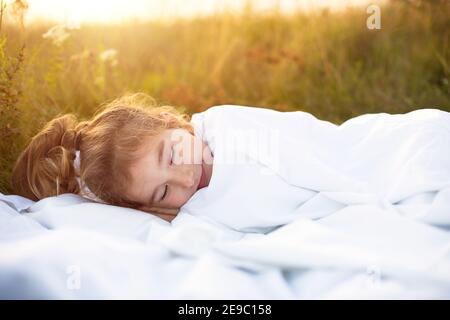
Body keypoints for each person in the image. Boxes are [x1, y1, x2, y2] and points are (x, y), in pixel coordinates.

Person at [10, 93, 214, 222]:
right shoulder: (197, 217)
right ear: (149, 208)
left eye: (171, 156)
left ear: (170, 122)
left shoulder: (221, 127)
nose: (187, 180)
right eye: (163, 192)